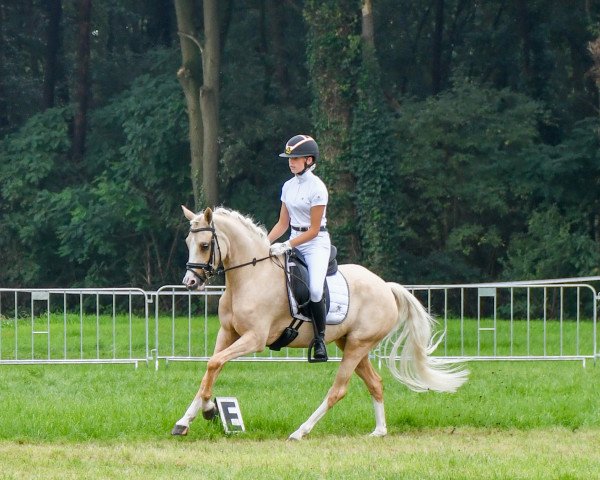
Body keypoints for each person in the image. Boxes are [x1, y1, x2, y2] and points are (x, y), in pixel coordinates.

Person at [268, 134, 330, 362]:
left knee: (314, 289)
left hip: (315, 244)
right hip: (293, 236)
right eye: (289, 158)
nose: (291, 162)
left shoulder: (318, 188)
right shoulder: (287, 186)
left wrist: (286, 244)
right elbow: (282, 223)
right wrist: (265, 243)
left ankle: (320, 340)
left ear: (309, 160)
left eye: (295, 158)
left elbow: (313, 230)